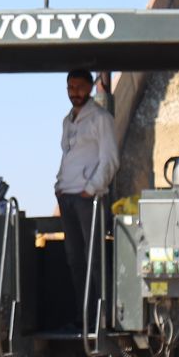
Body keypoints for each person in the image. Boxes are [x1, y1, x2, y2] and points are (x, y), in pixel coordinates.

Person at [49, 69, 117, 331]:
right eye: (70, 88)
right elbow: (68, 155)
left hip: (88, 198)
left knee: (95, 258)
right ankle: (83, 315)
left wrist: (92, 188)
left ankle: (104, 317)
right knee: (75, 259)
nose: (74, 93)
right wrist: (59, 185)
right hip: (67, 195)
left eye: (78, 87)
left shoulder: (100, 118)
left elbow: (110, 158)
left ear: (90, 87)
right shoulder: (68, 120)